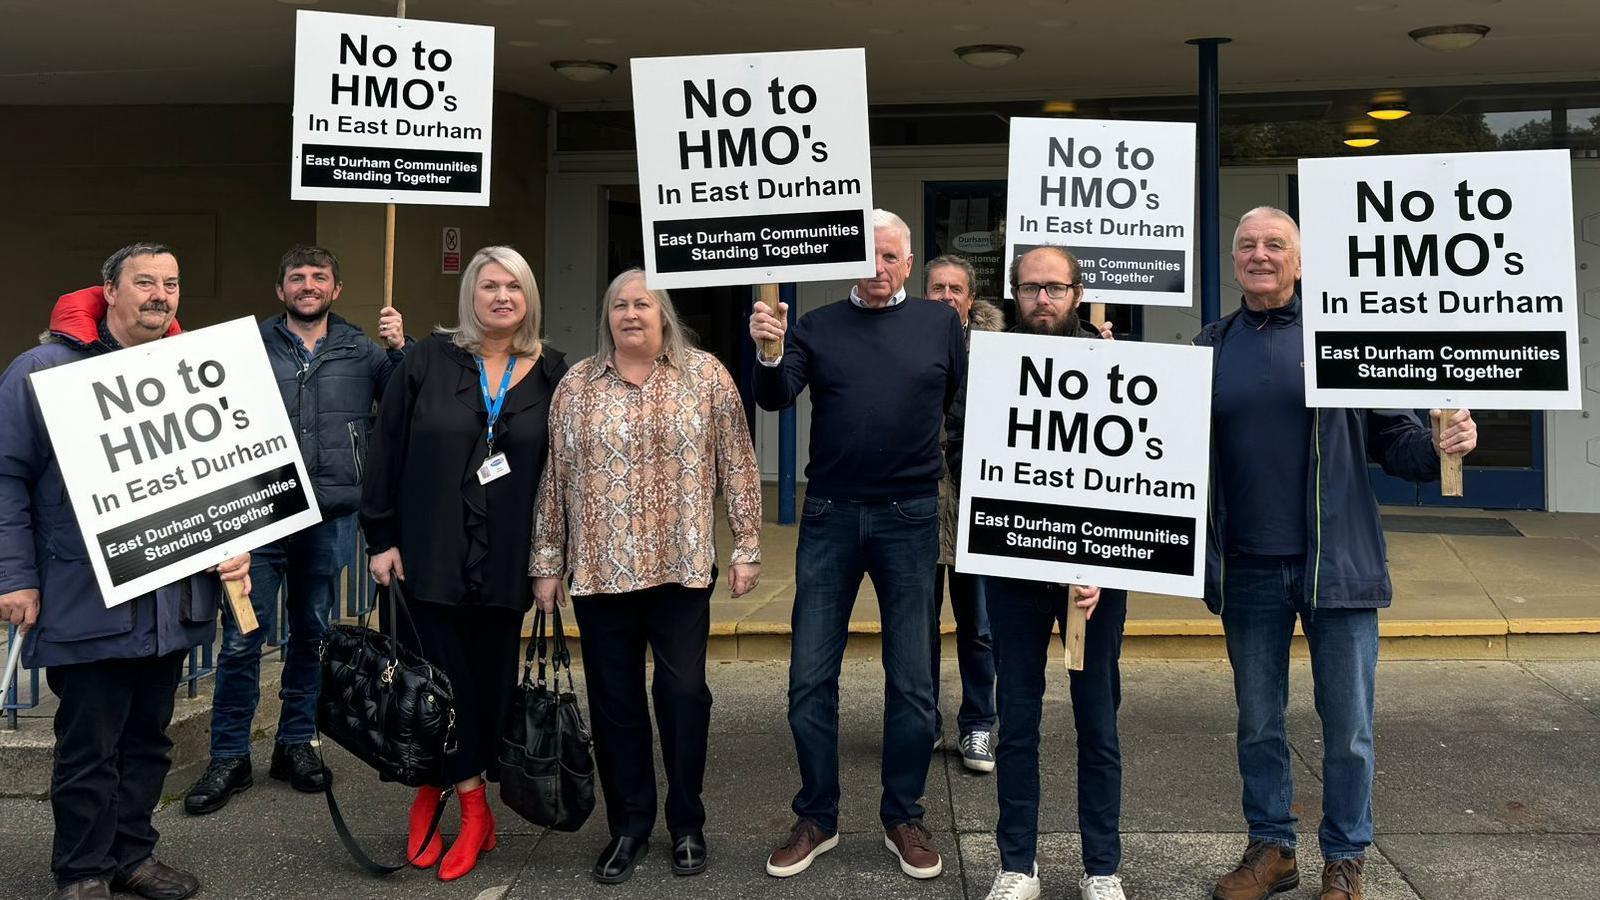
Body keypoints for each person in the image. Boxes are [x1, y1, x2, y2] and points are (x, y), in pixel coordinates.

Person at [1202, 208, 1476, 900]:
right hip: (1249, 568)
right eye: (1247, 245)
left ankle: (1345, 858)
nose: (1259, 255)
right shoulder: (1209, 347)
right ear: (1234, 261)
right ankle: (1272, 849)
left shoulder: (1345, 339)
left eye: (1275, 245)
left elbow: (1399, 444)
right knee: (1258, 722)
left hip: (1340, 568)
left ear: (1299, 260)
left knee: (1348, 727)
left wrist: (1443, 441)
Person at [0, 243, 251, 900]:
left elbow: (220, 475)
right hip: (88, 597)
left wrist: (235, 538)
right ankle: (81, 871)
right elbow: (7, 477)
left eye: (171, 282)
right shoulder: (41, 370)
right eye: (144, 282)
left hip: (172, 601)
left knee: (148, 743)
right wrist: (14, 576)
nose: (160, 294)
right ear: (109, 290)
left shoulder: (194, 369)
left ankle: (131, 858)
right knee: (89, 748)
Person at [750, 209, 965, 881]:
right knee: (809, 677)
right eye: (868, 256)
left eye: (892, 257)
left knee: (913, 682)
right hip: (830, 515)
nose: (879, 268)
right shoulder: (813, 325)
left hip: (910, 516)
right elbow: (776, 397)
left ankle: (904, 814)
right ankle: (817, 815)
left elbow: (967, 402)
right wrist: (767, 351)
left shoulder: (940, 324)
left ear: (909, 264)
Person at [531, 268, 763, 884]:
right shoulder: (577, 385)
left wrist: (747, 544)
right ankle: (629, 824)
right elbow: (555, 480)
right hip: (602, 571)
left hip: (681, 567)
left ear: (664, 313)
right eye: (619, 305)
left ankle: (687, 821)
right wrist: (546, 563)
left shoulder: (707, 376)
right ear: (607, 317)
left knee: (684, 695)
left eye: (642, 303)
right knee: (615, 704)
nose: (630, 314)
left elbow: (738, 462)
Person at [359, 245, 568, 882]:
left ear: (528, 297)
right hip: (427, 554)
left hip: (510, 561)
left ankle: (454, 793)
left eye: (513, 286)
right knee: (431, 686)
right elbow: (386, 445)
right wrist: (380, 538)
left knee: (485, 686)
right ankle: (463, 800)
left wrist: (552, 560)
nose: (501, 297)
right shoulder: (428, 359)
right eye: (488, 286)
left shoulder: (555, 371)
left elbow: (563, 475)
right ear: (469, 296)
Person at [185, 244, 409, 815]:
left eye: (319, 277)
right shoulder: (245, 348)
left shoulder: (362, 350)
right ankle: (229, 756)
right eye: (297, 277)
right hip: (254, 518)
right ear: (280, 289)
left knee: (312, 633)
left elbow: (409, 403)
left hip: (328, 516)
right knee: (241, 638)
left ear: (335, 289)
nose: (308, 285)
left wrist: (400, 348)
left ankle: (295, 744)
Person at [948, 246, 1129, 900]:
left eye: (1055, 288)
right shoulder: (989, 367)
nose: (1043, 299)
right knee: (1017, 719)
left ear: (1078, 292)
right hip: (1016, 569)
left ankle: (1102, 868)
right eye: (1031, 289)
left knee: (1097, 722)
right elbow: (963, 450)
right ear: (1016, 294)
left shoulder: (1115, 363)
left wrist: (1106, 555)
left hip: (1094, 580)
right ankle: (1017, 863)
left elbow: (1139, 472)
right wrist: (1010, 536)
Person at [923, 253, 1005, 774]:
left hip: (978, 503)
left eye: (956, 289)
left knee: (978, 625)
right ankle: (922, 720)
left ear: (971, 299)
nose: (947, 296)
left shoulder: (1001, 352)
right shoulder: (903, 342)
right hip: (919, 505)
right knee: (917, 625)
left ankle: (978, 724)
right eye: (937, 288)